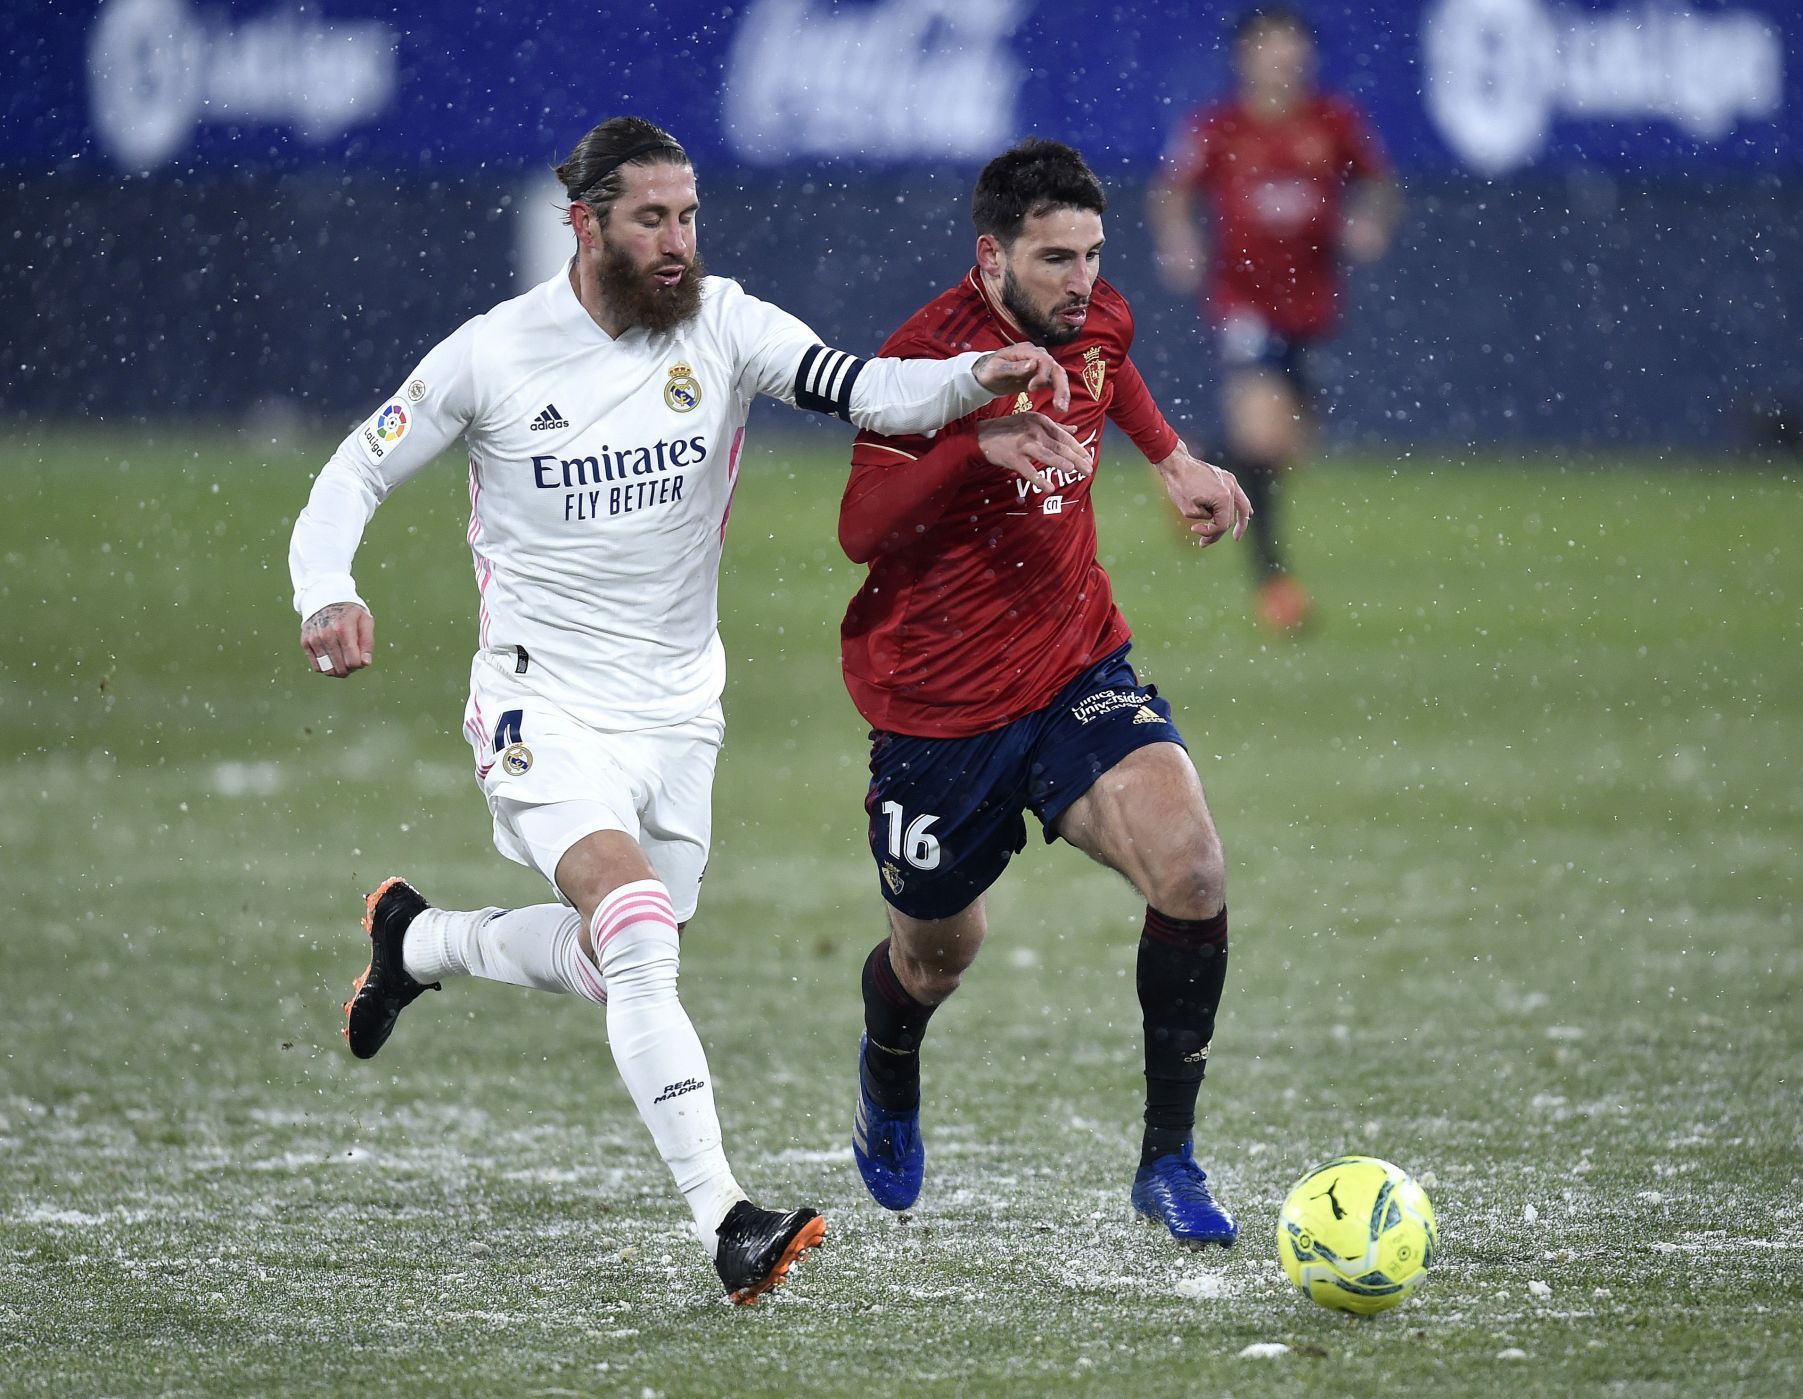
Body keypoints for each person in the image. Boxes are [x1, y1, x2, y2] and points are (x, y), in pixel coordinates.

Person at [287, 116, 1088, 1304]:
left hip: (679, 713)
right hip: (540, 703)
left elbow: (865, 386)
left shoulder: (721, 323)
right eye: (652, 220)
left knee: (625, 961)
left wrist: (979, 376)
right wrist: (327, 589)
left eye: (690, 217)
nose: (678, 243)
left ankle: (417, 940)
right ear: (587, 224)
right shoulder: (495, 355)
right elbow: (356, 465)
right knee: (639, 927)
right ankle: (730, 1219)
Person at [835, 138, 1254, 1247]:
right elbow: (859, 530)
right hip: (939, 709)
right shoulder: (922, 365)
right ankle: (888, 1064)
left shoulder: (1092, 315)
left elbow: (1115, 371)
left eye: (1093, 254)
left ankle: (1168, 1159)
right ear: (990, 257)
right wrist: (977, 446)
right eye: (1055, 257)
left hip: (1076, 666)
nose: (1082, 280)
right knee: (936, 959)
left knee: (1194, 871)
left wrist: (1174, 460)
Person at [1149, 3, 1399, 632]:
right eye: (1270, 46)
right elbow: (1171, 191)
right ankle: (1276, 588)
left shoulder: (1333, 122)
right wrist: (1180, 242)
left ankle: (1192, 461)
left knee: (1287, 451)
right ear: (1247, 56)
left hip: (1313, 308)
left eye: (1292, 46)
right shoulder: (1219, 128)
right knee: (1263, 441)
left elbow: (1380, 184)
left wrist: (1371, 220)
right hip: (1245, 301)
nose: (1283, 57)